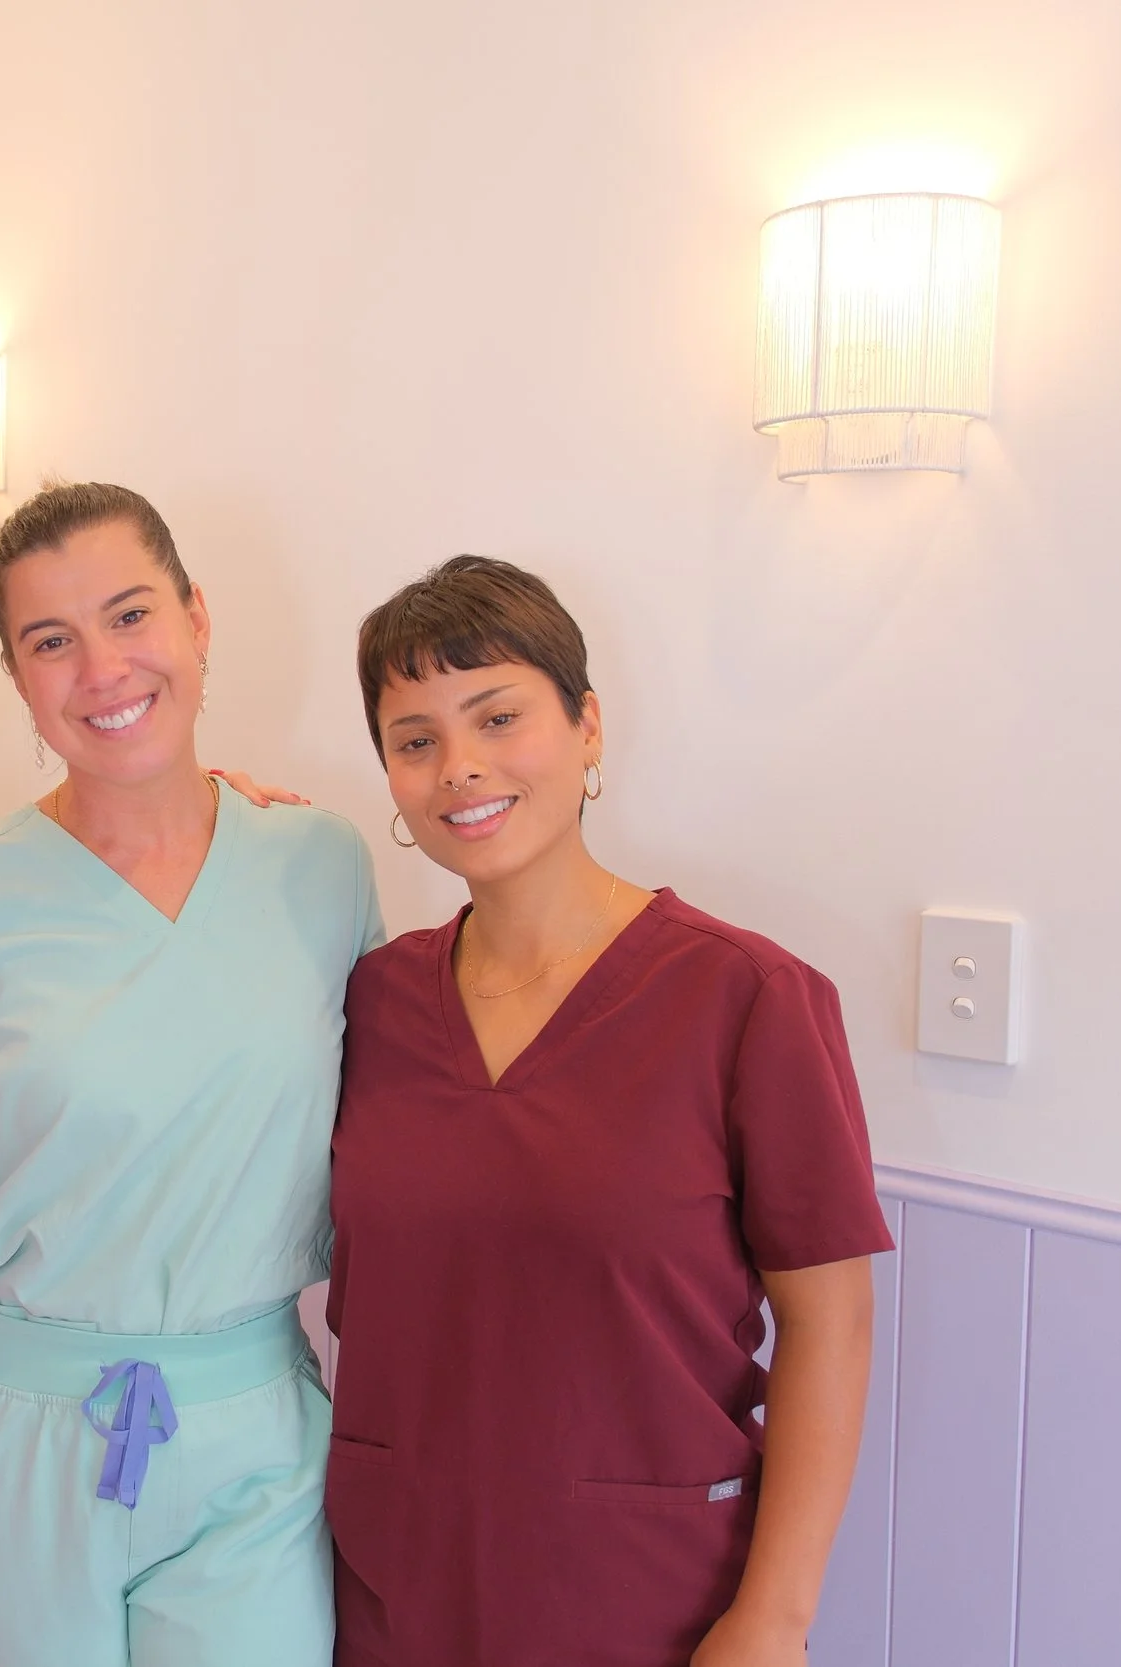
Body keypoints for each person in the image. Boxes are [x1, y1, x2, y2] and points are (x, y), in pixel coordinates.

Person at [324, 556, 891, 1667]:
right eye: (415, 738)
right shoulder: (373, 1000)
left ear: (586, 727)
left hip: (649, 1597)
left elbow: (833, 1324)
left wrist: (771, 1620)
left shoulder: (746, 999)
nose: (460, 767)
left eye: (498, 715)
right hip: (393, 1583)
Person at [0, 482, 382, 1667]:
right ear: (16, 677)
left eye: (130, 615)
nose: (100, 667)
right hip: (16, 1424)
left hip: (252, 1420)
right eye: (49, 640)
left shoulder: (319, 863)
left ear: (198, 620)